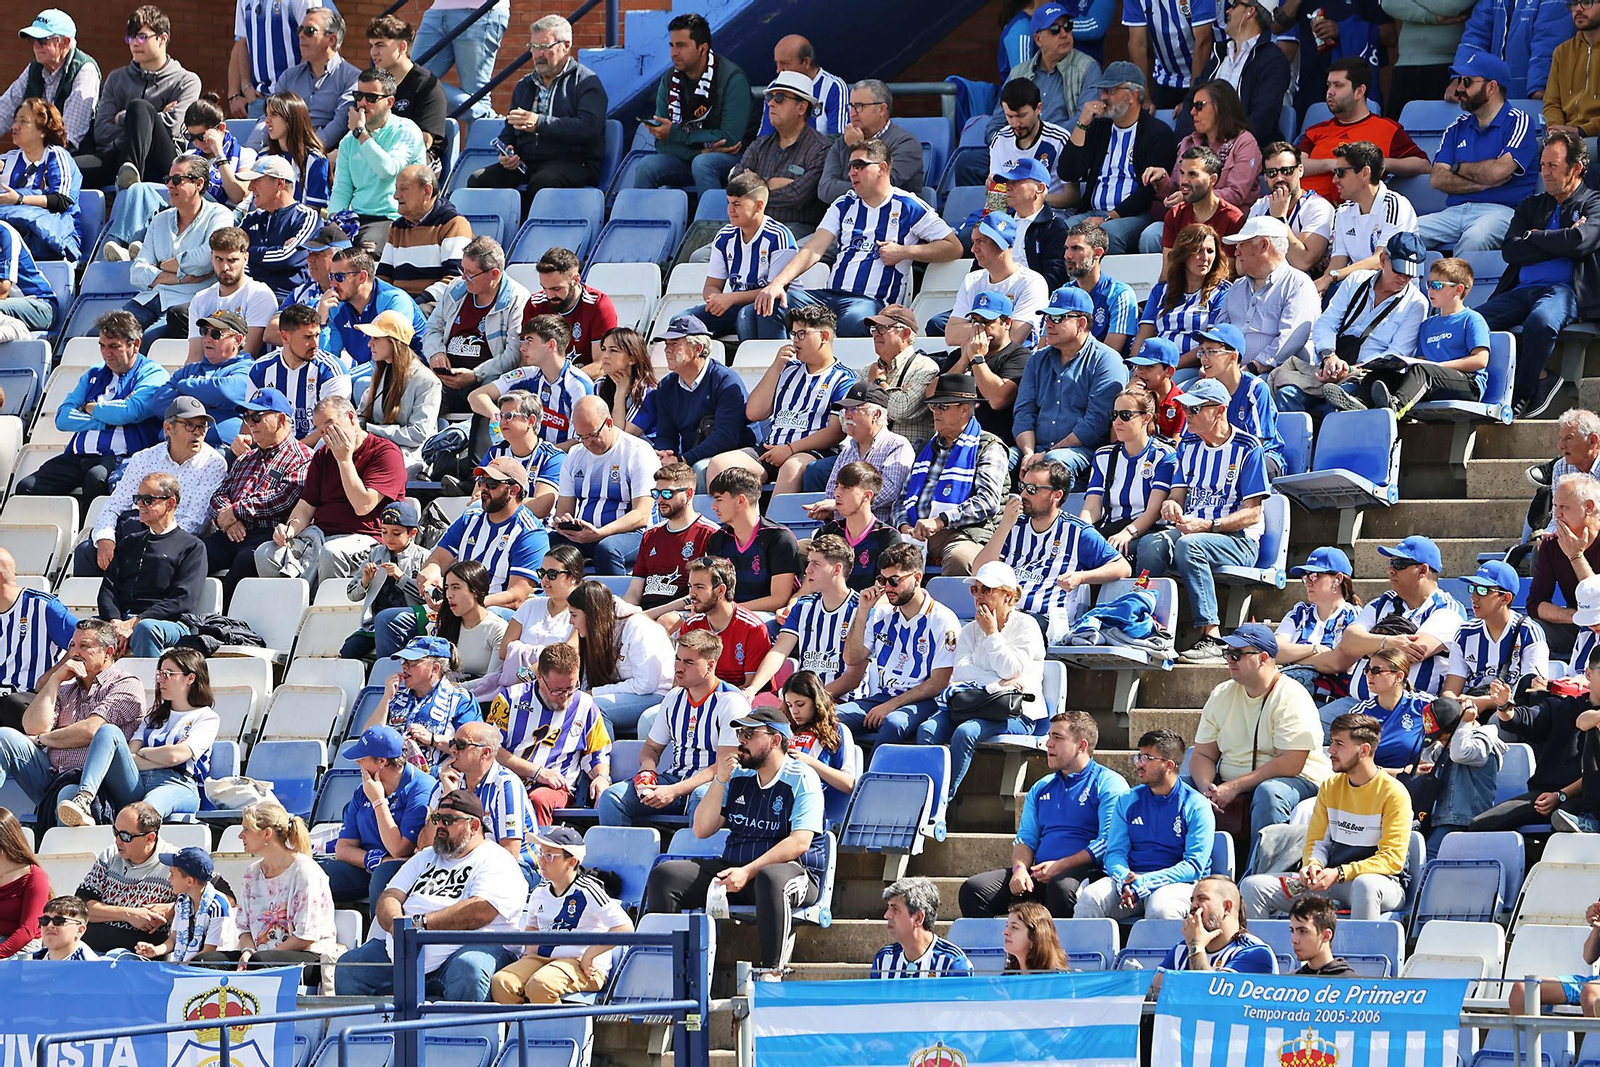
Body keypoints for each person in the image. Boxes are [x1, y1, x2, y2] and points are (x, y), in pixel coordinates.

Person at [643, 703, 826, 970]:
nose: (741, 741)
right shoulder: (738, 775)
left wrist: (749, 871)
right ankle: (666, 970)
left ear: (775, 740)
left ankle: (771, 971)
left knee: (770, 878)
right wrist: (719, 779)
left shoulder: (802, 778)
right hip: (737, 869)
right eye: (740, 734)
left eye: (749, 735)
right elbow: (701, 829)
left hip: (792, 874)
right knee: (665, 874)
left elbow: (800, 842)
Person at [334, 789, 528, 1002]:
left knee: (469, 971)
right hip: (405, 950)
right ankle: (370, 1035)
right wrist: (397, 926)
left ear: (473, 826)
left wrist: (420, 925)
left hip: (467, 949)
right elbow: (390, 896)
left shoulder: (496, 859)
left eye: (448, 820)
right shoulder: (426, 856)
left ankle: (456, 1036)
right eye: (436, 819)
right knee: (350, 968)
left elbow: (480, 911)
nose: (440, 827)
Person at [753, 140, 961, 339]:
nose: (852, 172)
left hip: (872, 303)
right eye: (851, 166)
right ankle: (783, 369)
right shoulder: (843, 203)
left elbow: (954, 247)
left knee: (854, 319)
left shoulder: (908, 205)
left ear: (881, 168)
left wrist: (905, 252)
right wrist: (777, 284)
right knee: (767, 306)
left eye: (859, 165)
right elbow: (813, 249)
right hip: (831, 297)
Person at [1138, 378, 1272, 662]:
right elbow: (1177, 495)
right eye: (1187, 409)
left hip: (1237, 540)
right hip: (1194, 531)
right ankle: (1145, 626)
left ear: (1220, 410)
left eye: (1196, 410)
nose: (1189, 415)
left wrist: (1210, 526)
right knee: (1150, 544)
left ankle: (1212, 635)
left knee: (1190, 546)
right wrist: (1171, 507)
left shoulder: (1248, 448)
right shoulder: (1187, 446)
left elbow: (1254, 513)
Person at [1243, 713, 1413, 919]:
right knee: (1253, 886)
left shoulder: (1394, 793)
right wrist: (1312, 866)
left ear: (1364, 750)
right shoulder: (1330, 786)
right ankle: (1261, 951)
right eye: (1331, 742)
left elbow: (1392, 860)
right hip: (1331, 878)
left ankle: (1359, 951)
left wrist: (1341, 872)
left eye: (1339, 744)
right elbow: (1316, 842)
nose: (1330, 750)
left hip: (1381, 883)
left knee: (1364, 885)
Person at [959, 710, 1129, 918]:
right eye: (1049, 736)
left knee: (1061, 888)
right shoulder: (1041, 787)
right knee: (974, 890)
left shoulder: (1109, 783)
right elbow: (1026, 838)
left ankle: (1061, 951)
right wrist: (1020, 869)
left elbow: (1107, 842)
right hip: (1039, 873)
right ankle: (1003, 949)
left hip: (1085, 873)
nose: (1048, 744)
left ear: (1081, 746)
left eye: (1057, 738)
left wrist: (1060, 866)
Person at [1480, 130, 1600, 419]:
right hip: (1520, 291)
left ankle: (1526, 391)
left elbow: (1582, 241)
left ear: (1576, 169)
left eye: (1553, 166)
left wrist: (1534, 237)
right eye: (1543, 165)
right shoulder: (1531, 205)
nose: (1544, 172)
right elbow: (1510, 251)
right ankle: (1539, 376)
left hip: (1566, 291)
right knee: (1475, 321)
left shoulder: (1594, 203)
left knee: (1542, 322)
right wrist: (1561, 240)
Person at [1188, 623, 1334, 842]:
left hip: (1297, 780)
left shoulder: (1291, 695)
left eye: (1237, 654)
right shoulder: (1221, 693)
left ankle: (1262, 871)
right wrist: (1206, 788)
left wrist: (1235, 786)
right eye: (1227, 653)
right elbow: (1203, 755)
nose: (1229, 659)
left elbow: (1292, 763)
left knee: (1269, 793)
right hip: (1231, 783)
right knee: (1180, 788)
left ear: (1263, 658)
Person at [918, 562, 1048, 797]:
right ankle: (923, 796)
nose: (979, 596)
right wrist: (996, 685)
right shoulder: (968, 629)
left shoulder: (1026, 625)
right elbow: (962, 672)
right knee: (927, 730)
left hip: (1016, 711)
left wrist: (991, 634)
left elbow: (1012, 668)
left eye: (987, 590)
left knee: (966, 732)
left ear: (1008, 595)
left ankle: (942, 800)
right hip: (972, 704)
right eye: (975, 590)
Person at [254, 395, 408, 587]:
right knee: (265, 553)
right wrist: (289, 529)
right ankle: (288, 612)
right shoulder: (323, 455)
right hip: (321, 535)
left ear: (351, 418)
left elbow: (363, 505)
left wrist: (344, 460)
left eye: (330, 425)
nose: (326, 434)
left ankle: (327, 612)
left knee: (330, 553)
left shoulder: (385, 453)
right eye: (320, 429)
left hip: (368, 538)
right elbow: (306, 506)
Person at [0, 618, 145, 819]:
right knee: (4, 736)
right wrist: (55, 680)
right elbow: (33, 727)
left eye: (84, 646)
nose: (74, 653)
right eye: (72, 646)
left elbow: (91, 730)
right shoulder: (65, 689)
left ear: (108, 652)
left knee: (68, 794)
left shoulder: (126, 685)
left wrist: (43, 740)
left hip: (106, 786)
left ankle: (77, 812)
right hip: (55, 776)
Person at [16, 311, 169, 502]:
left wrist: (88, 407)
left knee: (96, 479)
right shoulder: (95, 372)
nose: (106, 353)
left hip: (121, 458)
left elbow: (131, 412)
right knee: (26, 487)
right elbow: (63, 418)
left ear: (135, 344)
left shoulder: (153, 373)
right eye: (102, 346)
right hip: (77, 456)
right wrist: (105, 421)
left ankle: (92, 532)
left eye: (114, 347)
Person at [57, 646, 216, 827]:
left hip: (176, 784)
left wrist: (146, 752)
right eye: (160, 674)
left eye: (169, 674)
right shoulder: (152, 716)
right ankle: (84, 799)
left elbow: (177, 756)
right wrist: (162, 756)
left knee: (143, 813)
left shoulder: (206, 717)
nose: (161, 680)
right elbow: (131, 757)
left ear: (191, 678)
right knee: (108, 731)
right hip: (137, 781)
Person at [596, 628, 742, 825]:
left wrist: (674, 791)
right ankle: (623, 855)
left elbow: (725, 765)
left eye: (688, 662)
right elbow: (651, 748)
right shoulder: (674, 697)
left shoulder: (731, 701)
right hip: (674, 779)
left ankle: (694, 856)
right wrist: (648, 771)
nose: (679, 668)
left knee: (701, 798)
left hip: (713, 784)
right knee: (612, 798)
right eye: (677, 659)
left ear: (710, 665)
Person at [466, 15, 607, 215]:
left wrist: (540, 123)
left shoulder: (586, 83)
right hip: (527, 163)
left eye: (544, 46)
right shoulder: (524, 85)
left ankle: (524, 235)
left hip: (575, 162)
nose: (538, 54)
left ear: (566, 46)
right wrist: (507, 152)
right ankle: (489, 238)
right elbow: (509, 128)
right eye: (533, 46)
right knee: (478, 179)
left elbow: (588, 128)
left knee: (544, 181)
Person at [73, 397, 225, 580]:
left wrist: (148, 544)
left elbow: (195, 522)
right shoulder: (144, 458)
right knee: (86, 552)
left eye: (202, 426)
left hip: (177, 543)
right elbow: (114, 505)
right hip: (137, 531)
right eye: (190, 425)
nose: (198, 433)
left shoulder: (214, 463)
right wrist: (105, 538)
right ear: (168, 428)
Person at [1279, 232, 1431, 415]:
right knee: (1286, 395)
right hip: (1330, 366)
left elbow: (1395, 356)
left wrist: (1349, 370)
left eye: (1410, 274)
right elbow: (1327, 322)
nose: (1404, 279)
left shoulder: (1417, 303)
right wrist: (1329, 357)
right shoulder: (1356, 279)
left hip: (1364, 376)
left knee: (1337, 403)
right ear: (1383, 260)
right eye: (1399, 271)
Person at [191, 799, 339, 984]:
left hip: (310, 955)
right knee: (203, 963)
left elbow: (305, 937)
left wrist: (256, 958)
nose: (240, 836)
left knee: (260, 964)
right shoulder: (252, 872)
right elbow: (244, 928)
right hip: (259, 956)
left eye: (246, 829)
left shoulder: (305, 870)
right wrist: (247, 953)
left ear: (267, 834)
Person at [708, 304, 854, 492]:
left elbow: (836, 431)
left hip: (812, 451)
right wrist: (775, 367)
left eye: (802, 334)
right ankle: (735, 520)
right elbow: (754, 412)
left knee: (791, 468)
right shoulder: (786, 369)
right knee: (720, 464)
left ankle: (773, 521)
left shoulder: (843, 378)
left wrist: (791, 449)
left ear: (824, 337)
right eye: (793, 334)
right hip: (771, 449)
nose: (795, 341)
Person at [1074, 729, 1215, 920]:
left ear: (1169, 765)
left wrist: (1146, 881)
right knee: (1090, 898)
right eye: (1138, 757)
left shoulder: (1197, 805)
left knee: (1162, 910)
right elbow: (1115, 853)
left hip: (1176, 884)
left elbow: (1194, 866)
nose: (1139, 764)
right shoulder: (1127, 800)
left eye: (1147, 758)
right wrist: (1125, 879)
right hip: (1130, 881)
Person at [975, 459, 1130, 630]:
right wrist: (1004, 525)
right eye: (1023, 487)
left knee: (1016, 628)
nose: (1024, 495)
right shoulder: (1013, 527)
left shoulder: (1077, 531)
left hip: (1045, 621)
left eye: (1032, 489)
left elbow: (1122, 567)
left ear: (1057, 495)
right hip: (1005, 615)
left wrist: (1081, 577)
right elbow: (978, 571)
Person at [490, 826, 634, 1004]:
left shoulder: (589, 890)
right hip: (543, 959)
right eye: (541, 853)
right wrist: (528, 955)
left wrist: (590, 954)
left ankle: (554, 1031)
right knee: (502, 982)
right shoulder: (539, 892)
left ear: (572, 862)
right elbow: (533, 928)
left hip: (582, 964)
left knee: (541, 984)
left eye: (549, 856)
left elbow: (625, 928)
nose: (541, 861)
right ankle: (521, 1031)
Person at [1416, 55, 1539, 255]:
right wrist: (1481, 183)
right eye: (1459, 81)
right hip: (1455, 211)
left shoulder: (1519, 122)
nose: (1459, 89)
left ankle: (1453, 286)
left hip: (1503, 211)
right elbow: (1437, 179)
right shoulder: (1457, 126)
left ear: (1491, 87)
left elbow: (1498, 171)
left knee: (1475, 238)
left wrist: (1458, 168)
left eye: (1467, 81)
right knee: (1403, 235)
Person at [1338, 252, 1490, 414]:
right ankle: (1359, 402)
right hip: (1431, 379)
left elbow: (1480, 360)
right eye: (1429, 284)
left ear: (1458, 290)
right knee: (1381, 374)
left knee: (1423, 371)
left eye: (1437, 285)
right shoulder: (1427, 324)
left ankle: (1395, 407)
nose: (1430, 290)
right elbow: (1422, 359)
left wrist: (1439, 367)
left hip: (1468, 383)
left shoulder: (1472, 319)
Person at [837, 543, 961, 741]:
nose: (887, 587)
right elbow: (851, 658)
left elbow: (939, 682)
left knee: (893, 722)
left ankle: (874, 773)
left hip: (924, 701)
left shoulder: (943, 620)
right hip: (882, 696)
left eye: (894, 580)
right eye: (882, 580)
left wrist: (892, 705)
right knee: (830, 720)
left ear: (917, 578)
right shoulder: (880, 614)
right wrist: (862, 611)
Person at [1059, 62, 1180, 254]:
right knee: (1060, 230)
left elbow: (1148, 191)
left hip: (1135, 215)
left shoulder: (1158, 133)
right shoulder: (1098, 128)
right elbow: (1068, 171)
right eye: (1103, 91)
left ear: (1133, 95)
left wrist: (1108, 218)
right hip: (1092, 211)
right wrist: (1081, 124)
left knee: (1107, 235)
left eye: (1111, 91)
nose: (1103, 97)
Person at [1466, 656, 1597, 832]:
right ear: (1588, 673)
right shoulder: (1564, 707)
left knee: (1564, 821)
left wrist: (1561, 795)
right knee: (1481, 825)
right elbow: (1526, 720)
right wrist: (1504, 706)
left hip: (1585, 798)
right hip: (1545, 794)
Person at [484, 643, 611, 824]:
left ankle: (536, 850)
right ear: (539, 679)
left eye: (571, 687)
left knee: (538, 800)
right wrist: (537, 772)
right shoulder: (509, 700)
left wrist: (602, 777)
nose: (565, 696)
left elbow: (598, 753)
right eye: (557, 690)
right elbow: (493, 749)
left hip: (555, 788)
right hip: (506, 779)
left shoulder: (586, 705)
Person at [897, 375, 1011, 576]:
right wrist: (904, 525)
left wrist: (940, 521)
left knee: (960, 559)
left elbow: (987, 502)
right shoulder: (927, 448)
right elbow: (902, 498)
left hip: (966, 534)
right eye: (934, 406)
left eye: (943, 406)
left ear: (964, 410)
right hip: (917, 533)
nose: (935, 412)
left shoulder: (989, 446)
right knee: (883, 553)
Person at [1014, 286, 1128, 485]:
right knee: (996, 456)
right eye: (1047, 318)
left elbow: (1095, 423)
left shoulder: (1107, 360)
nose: (1048, 324)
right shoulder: (1037, 360)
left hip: (1082, 450)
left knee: (1052, 464)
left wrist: (1047, 454)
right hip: (1035, 448)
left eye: (1057, 318)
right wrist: (1028, 453)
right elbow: (1023, 412)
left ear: (1081, 323)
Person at [79, 6, 201, 192]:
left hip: (164, 163)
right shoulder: (116, 78)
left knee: (139, 107)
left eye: (142, 37)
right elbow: (102, 132)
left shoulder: (187, 81)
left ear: (163, 38)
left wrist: (124, 117)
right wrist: (143, 124)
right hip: (117, 154)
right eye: (130, 38)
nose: (134, 43)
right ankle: (128, 175)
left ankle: (130, 179)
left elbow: (173, 127)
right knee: (66, 168)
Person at [205, 389, 313, 598]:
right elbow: (218, 495)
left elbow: (284, 497)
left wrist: (236, 511)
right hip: (231, 532)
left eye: (256, 417)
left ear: (281, 419)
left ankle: (222, 620)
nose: (250, 424)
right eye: (246, 417)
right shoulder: (246, 458)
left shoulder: (303, 457)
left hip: (270, 535)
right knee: (194, 554)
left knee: (247, 561)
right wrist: (228, 520)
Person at [114, 156, 232, 345]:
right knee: (98, 336)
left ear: (199, 184)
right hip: (149, 299)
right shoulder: (160, 220)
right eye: (167, 179)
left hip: (187, 302)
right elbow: (136, 272)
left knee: (145, 342)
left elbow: (206, 259)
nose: (170, 185)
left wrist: (160, 266)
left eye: (177, 180)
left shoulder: (220, 215)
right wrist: (179, 277)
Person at [632, 14, 750, 197]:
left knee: (703, 163)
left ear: (703, 49)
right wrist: (699, 151)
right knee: (647, 166)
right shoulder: (669, 79)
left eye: (681, 45)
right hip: (692, 156)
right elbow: (662, 143)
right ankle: (639, 223)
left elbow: (731, 139)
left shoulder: (733, 78)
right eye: (671, 45)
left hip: (736, 158)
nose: (673, 53)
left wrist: (677, 135)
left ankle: (711, 223)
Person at [318, 725, 431, 914]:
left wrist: (379, 801)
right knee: (315, 874)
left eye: (362, 759)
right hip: (366, 866)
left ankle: (379, 941)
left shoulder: (421, 787)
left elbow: (399, 849)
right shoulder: (363, 790)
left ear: (381, 762)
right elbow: (343, 849)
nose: (357, 763)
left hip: (404, 870)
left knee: (383, 875)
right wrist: (376, 860)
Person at [96, 472, 208, 658]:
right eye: (138, 498)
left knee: (145, 629)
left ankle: (149, 685)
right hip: (124, 620)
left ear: (170, 503)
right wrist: (115, 623)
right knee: (85, 630)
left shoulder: (192, 546)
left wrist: (136, 622)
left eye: (147, 499)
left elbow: (182, 599)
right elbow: (108, 588)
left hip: (168, 623)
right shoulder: (129, 542)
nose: (140, 504)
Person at [550, 394, 661, 576]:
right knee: (549, 542)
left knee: (607, 549)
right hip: (588, 533)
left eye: (593, 435)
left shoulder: (638, 452)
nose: (587, 443)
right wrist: (565, 524)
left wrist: (601, 533)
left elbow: (641, 514)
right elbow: (564, 508)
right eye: (581, 437)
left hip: (635, 534)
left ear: (609, 423)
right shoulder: (575, 455)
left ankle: (617, 601)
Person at [741, 538, 865, 699]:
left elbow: (853, 678)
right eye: (808, 563)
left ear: (837, 569)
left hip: (840, 701)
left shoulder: (860, 609)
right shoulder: (803, 605)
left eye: (816, 564)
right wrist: (753, 688)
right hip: (800, 699)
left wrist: (813, 701)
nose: (807, 570)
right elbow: (779, 651)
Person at [681, 174, 796, 343]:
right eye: (729, 203)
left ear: (758, 206)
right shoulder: (724, 237)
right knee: (682, 322)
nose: (730, 210)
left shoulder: (779, 236)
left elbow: (775, 291)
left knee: (750, 314)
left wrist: (730, 298)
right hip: (735, 305)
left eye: (737, 204)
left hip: (776, 308)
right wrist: (715, 300)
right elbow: (712, 285)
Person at [1295, 59, 1430, 203]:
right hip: (1298, 207)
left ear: (1359, 91)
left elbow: (1423, 165)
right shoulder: (1316, 130)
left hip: (1344, 213)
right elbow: (1294, 166)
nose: (1330, 92)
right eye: (1328, 85)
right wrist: (1331, 164)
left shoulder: (1387, 129)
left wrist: (1380, 163)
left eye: (1338, 86)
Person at [427, 239, 535, 417]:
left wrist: (476, 375)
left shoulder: (517, 299)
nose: (463, 277)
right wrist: (436, 353)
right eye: (463, 270)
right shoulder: (455, 288)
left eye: (470, 273)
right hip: (446, 378)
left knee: (494, 387)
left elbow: (514, 354)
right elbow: (432, 329)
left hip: (485, 379)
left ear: (494, 274)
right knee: (414, 378)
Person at [329, 67, 426, 254]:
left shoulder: (406, 130)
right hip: (356, 218)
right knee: (319, 251)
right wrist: (334, 221)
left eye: (371, 98)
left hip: (392, 219)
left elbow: (388, 170)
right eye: (358, 96)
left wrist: (361, 133)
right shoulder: (350, 140)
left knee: (360, 256)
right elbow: (342, 189)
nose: (362, 103)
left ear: (390, 102)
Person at [429, 722, 538, 881]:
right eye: (453, 743)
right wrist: (448, 797)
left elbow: (509, 855)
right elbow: (425, 843)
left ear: (485, 752)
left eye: (461, 745)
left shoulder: (506, 785)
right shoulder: (447, 781)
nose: (452, 750)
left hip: (518, 871)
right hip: (462, 864)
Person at [1439, 560, 1550, 715]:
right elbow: (1450, 691)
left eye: (1483, 590)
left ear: (1506, 598)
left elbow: (1532, 692)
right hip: (1470, 707)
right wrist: (1456, 705)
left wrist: (1484, 702)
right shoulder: (1465, 632)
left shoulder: (1529, 632)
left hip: (1511, 712)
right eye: (1473, 589)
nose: (1474, 597)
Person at [1080, 386, 1178, 557]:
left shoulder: (1163, 455)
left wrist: (1128, 532)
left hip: (1147, 530)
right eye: (1114, 415)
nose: (1117, 421)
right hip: (1112, 527)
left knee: (1135, 550)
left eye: (1125, 415)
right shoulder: (1104, 455)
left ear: (1146, 418)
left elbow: (1153, 511)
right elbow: (1092, 506)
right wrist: (1081, 530)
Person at [569, 581, 673, 736]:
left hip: (657, 696)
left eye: (574, 615)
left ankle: (603, 759)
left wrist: (596, 693)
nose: (571, 622)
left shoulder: (638, 627)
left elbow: (646, 685)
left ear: (591, 614)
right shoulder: (599, 630)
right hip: (630, 695)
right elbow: (587, 681)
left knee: (594, 707)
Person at [1318, 141, 1421, 296]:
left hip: (1395, 294)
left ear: (1365, 172)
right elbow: (1338, 258)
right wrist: (1323, 285)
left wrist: (1332, 278)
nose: (1334, 180)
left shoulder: (1395, 205)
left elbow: (1379, 261)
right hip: (1357, 290)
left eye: (1340, 172)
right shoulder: (1343, 211)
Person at [734, 72, 831, 235]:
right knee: (699, 256)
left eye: (779, 97)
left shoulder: (820, 149)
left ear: (801, 107)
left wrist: (753, 188)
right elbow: (735, 185)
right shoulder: (759, 145)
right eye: (769, 97)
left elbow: (798, 197)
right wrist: (769, 182)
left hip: (794, 229)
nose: (771, 103)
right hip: (752, 224)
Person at [1219, 216, 1319, 370]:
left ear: (1263, 245)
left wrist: (1254, 367)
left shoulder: (1299, 284)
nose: (1236, 252)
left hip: (1273, 375)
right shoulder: (1237, 286)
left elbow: (1290, 340)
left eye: (1241, 245)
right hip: (1226, 371)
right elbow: (1220, 331)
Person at [76, 802, 176, 954]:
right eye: (115, 832)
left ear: (150, 838)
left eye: (125, 836)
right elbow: (80, 908)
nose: (117, 840)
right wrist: (128, 914)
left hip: (138, 958)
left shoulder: (175, 862)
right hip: (90, 951)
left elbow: (219, 897)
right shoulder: (109, 855)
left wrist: (173, 909)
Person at [938, 217, 1050, 352]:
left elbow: (1014, 337)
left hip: (1015, 366)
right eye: (973, 242)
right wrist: (994, 328)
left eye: (981, 242)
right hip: (974, 360)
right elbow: (951, 335)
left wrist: (972, 329)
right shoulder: (972, 280)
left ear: (1001, 243)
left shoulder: (1032, 282)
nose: (973, 249)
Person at [626, 462, 721, 620]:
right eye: (656, 494)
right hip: (645, 615)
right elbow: (634, 592)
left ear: (689, 494)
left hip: (682, 615)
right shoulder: (650, 534)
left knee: (665, 621)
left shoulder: (710, 534)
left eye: (668, 494)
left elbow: (700, 595)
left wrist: (646, 616)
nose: (660, 500)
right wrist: (621, 615)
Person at [992, 4, 1103, 137]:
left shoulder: (1088, 67)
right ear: (1038, 39)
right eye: (1055, 29)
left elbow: (1086, 119)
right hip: (1019, 147)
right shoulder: (1019, 72)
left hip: (1064, 149)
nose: (1064, 34)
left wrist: (1040, 139)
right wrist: (1008, 145)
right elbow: (996, 123)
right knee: (970, 157)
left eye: (1068, 26)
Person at [1130, 224, 1232, 367]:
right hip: (1154, 366)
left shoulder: (1222, 292)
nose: (1205, 257)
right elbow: (1142, 338)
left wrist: (1170, 367)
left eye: (1210, 251)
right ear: (1183, 253)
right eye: (1198, 250)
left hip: (1192, 367)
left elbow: (1210, 344)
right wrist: (1138, 367)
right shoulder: (1160, 291)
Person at [153, 309, 256, 448]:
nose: (207, 338)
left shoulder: (249, 369)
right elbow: (158, 403)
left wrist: (184, 387)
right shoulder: (191, 369)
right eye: (204, 331)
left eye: (215, 334)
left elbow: (224, 392)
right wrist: (209, 401)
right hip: (172, 446)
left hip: (219, 448)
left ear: (237, 340)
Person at [0, 10, 99, 154]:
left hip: (72, 161)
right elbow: (5, 109)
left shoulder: (85, 71)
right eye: (32, 40)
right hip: (35, 155)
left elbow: (68, 137)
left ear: (64, 42)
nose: (36, 46)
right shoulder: (34, 68)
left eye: (42, 40)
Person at [250, 304, 350, 446]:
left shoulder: (332, 371)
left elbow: (331, 427)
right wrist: (243, 439)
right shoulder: (260, 369)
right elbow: (252, 417)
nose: (315, 344)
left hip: (316, 452)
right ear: (285, 337)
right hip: (271, 448)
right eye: (308, 337)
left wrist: (289, 452)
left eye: (317, 335)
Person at [0, 548, 77, 731]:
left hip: (26, 699)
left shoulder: (43, 607)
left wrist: (50, 677)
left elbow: (88, 642)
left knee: (13, 703)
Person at [1190, 2, 1291, 141]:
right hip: (1205, 149)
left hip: (1244, 153)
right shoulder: (1220, 53)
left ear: (1250, 11)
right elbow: (1192, 101)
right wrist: (1187, 144)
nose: (1228, 11)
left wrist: (1225, 144)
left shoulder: (1273, 60)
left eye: (1235, 5)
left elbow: (1262, 119)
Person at [358, 310, 442, 474]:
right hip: (377, 448)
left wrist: (369, 429)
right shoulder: (381, 372)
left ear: (393, 342)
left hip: (409, 457)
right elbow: (362, 413)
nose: (369, 344)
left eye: (376, 338)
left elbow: (417, 434)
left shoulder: (427, 381)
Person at [817, 80, 927, 204]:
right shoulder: (842, 143)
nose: (853, 114)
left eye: (860, 106)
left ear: (881, 109)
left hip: (895, 218)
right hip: (848, 219)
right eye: (851, 106)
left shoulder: (906, 144)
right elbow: (825, 190)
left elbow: (880, 187)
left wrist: (857, 148)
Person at [378, 164, 470, 311]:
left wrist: (413, 305)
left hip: (433, 307)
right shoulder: (397, 228)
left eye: (404, 189)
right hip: (399, 306)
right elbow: (383, 276)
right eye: (396, 189)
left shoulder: (453, 223)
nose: (396, 195)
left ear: (427, 191)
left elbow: (455, 280)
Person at [1274, 547, 1361, 701]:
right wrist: (1315, 649)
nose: (1307, 582)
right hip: (1291, 693)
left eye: (1314, 576)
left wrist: (1291, 657)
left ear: (1338, 579)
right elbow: (1274, 651)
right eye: (1305, 576)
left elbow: (1336, 662)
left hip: (1330, 699)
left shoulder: (1354, 616)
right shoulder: (1300, 611)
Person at [0, 97, 81, 261]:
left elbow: (61, 201)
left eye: (23, 121)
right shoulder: (8, 160)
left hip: (54, 235)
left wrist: (20, 199)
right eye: (15, 120)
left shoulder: (57, 156)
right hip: (14, 232)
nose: (15, 126)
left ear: (43, 130)